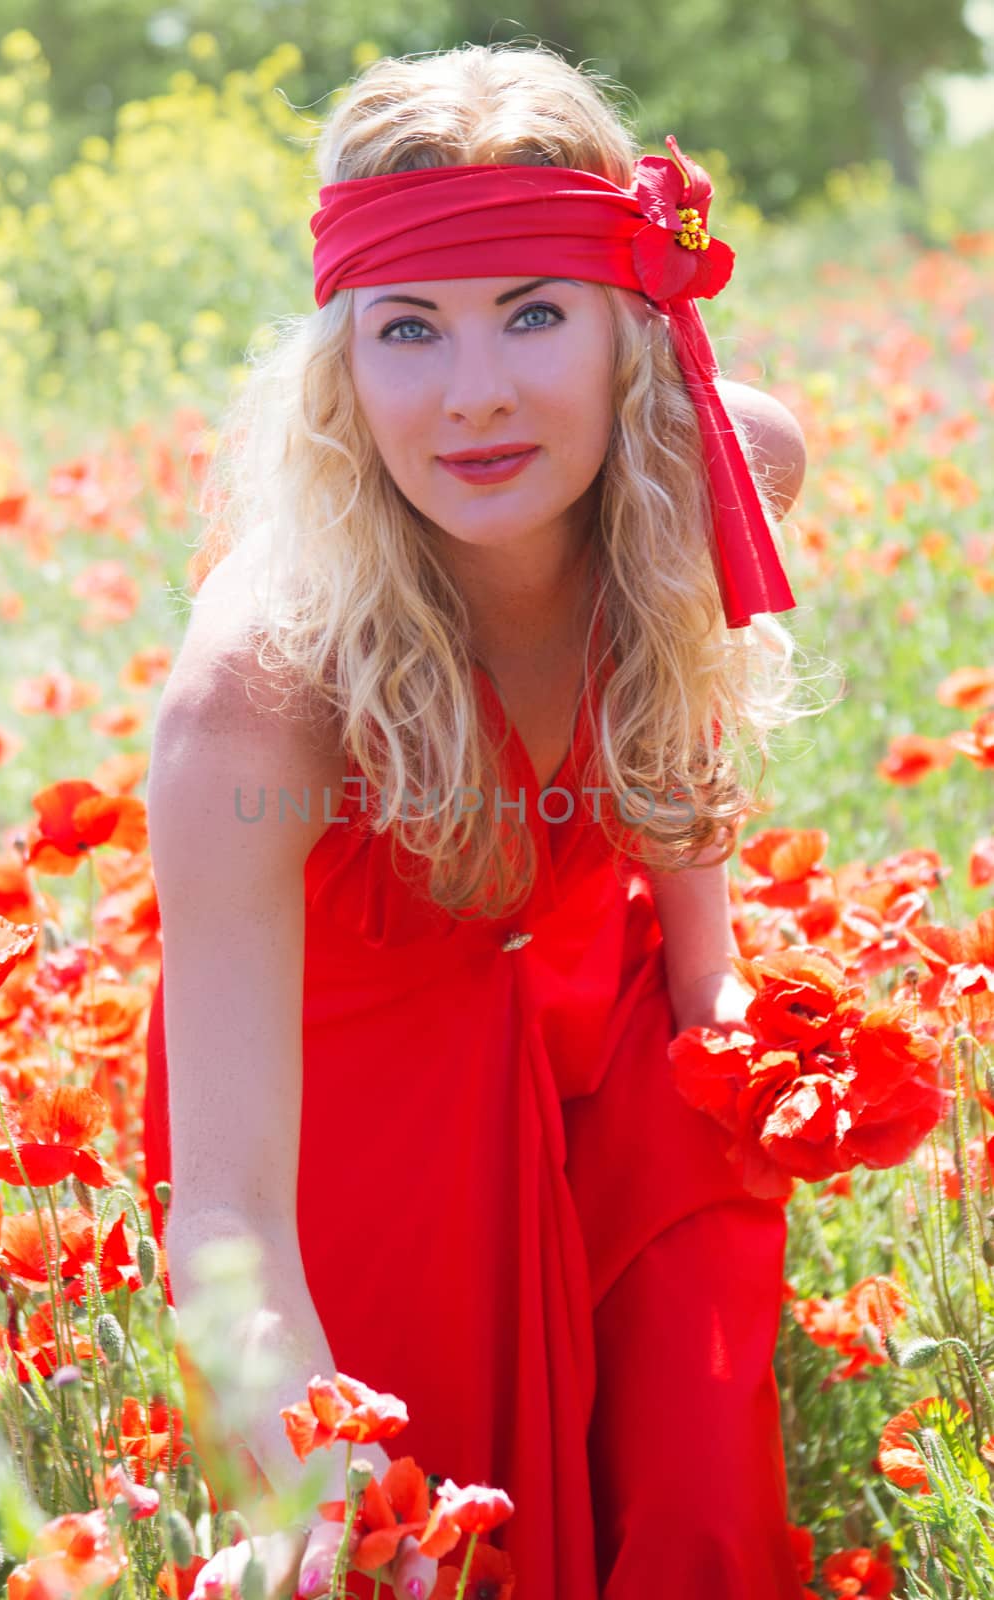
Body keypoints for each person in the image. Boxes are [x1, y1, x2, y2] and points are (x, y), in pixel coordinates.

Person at [141, 40, 817, 1600]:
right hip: (351, 1127)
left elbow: (674, 699)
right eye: (408, 330)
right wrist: (310, 1481)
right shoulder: (254, 687)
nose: (477, 393)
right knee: (429, 1546)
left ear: (630, 328)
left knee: (709, 1523)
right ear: (343, 365)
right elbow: (229, 1205)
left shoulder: (729, 458)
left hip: (607, 1023)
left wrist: (713, 982)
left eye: (533, 313)